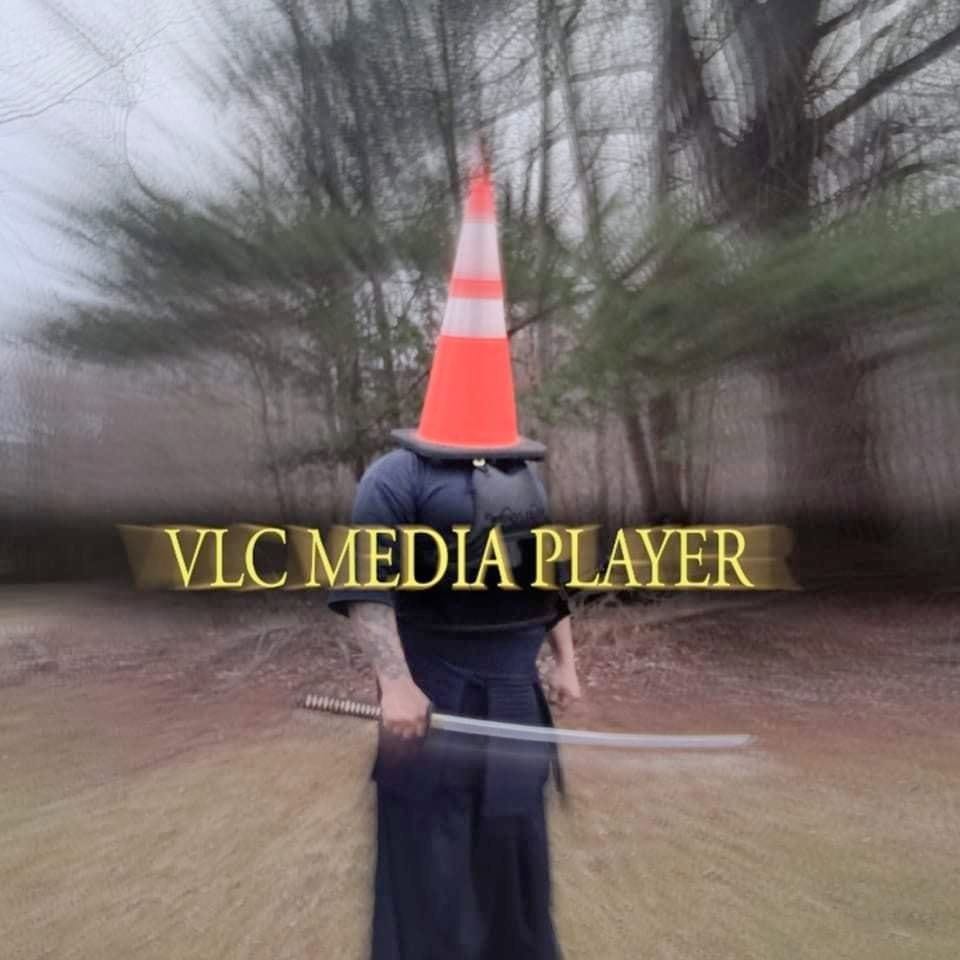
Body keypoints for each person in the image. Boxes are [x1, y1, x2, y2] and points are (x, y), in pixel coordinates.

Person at [328, 158, 581, 960]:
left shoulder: (525, 480)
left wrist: (566, 663)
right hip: (430, 704)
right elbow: (367, 589)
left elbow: (548, 584)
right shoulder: (393, 479)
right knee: (433, 886)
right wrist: (396, 684)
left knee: (514, 879)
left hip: (515, 705)